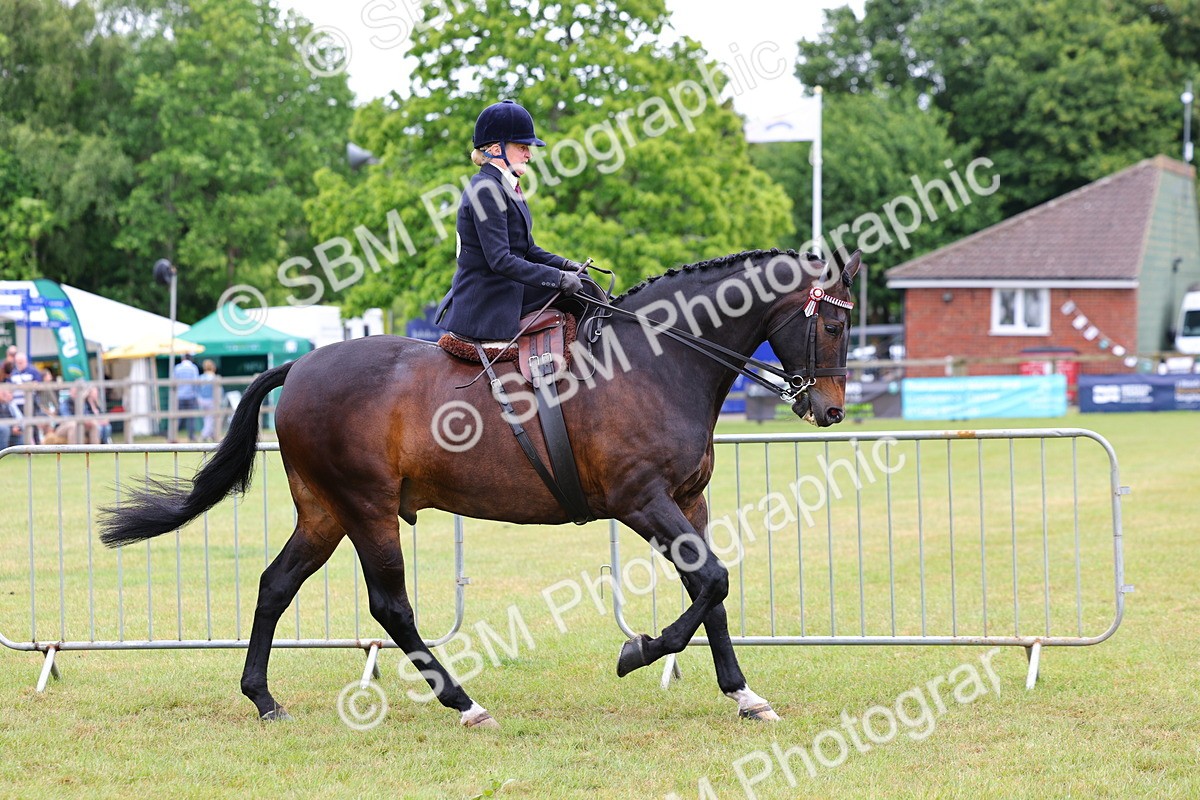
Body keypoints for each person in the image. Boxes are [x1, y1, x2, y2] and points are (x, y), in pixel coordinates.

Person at [434, 99, 587, 342]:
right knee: (579, 295)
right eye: (522, 147)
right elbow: (501, 260)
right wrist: (557, 278)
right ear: (496, 150)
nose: (529, 154)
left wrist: (568, 265)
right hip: (488, 300)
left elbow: (528, 249)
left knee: (585, 284)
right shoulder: (486, 190)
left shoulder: (507, 186)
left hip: (507, 287)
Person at [7, 352, 42, 443]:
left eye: (21, 362)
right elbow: (8, 387)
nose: (20, 364)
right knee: (19, 425)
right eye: (18, 362)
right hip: (16, 403)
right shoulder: (13, 373)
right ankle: (23, 446)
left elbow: (39, 384)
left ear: (26, 361)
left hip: (30, 402)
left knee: (32, 424)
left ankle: (37, 445)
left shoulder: (33, 371)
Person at [172, 353, 200, 442]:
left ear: (183, 358)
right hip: (191, 395)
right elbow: (196, 382)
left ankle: (174, 436)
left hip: (179, 396)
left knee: (178, 417)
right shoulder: (193, 368)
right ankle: (191, 436)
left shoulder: (177, 368)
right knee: (191, 417)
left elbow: (173, 381)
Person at [197, 359, 218, 442]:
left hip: (201, 400)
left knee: (207, 418)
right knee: (210, 419)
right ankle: (204, 435)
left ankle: (211, 435)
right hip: (211, 400)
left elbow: (197, 389)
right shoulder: (214, 377)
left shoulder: (201, 377)